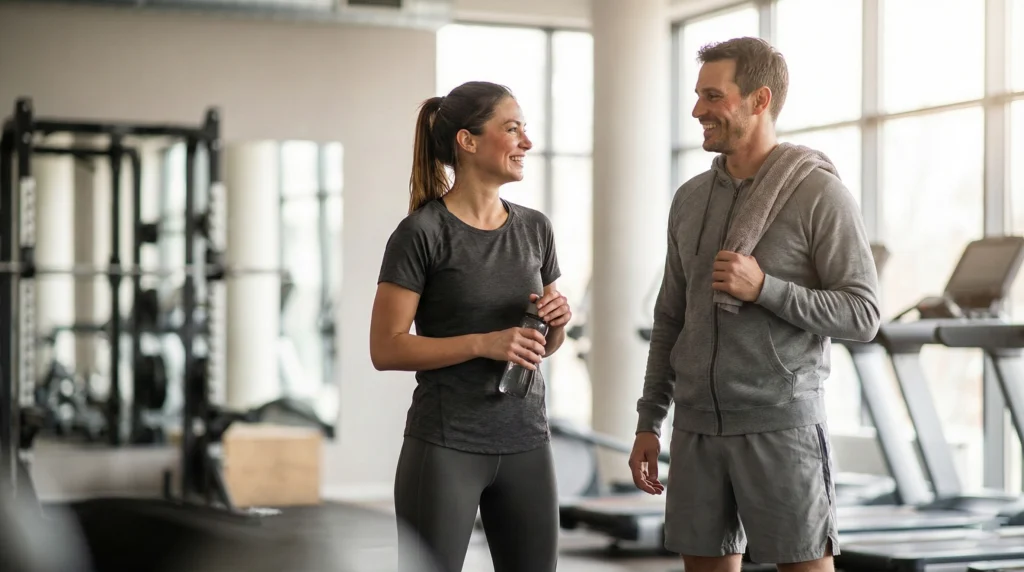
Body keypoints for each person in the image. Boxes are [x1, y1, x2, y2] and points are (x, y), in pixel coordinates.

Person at [627, 37, 881, 571]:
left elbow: (863, 314)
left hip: (779, 427)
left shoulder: (819, 195)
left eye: (713, 96)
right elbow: (670, 316)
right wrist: (650, 420)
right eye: (697, 96)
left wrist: (766, 287)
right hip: (696, 429)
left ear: (759, 100)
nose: (697, 110)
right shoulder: (691, 198)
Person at [369, 80, 571, 572]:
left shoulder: (535, 228)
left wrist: (558, 323)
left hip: (526, 441)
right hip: (445, 446)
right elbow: (386, 349)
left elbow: (541, 346)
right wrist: (485, 343)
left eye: (526, 130)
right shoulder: (422, 233)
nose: (526, 142)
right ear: (468, 141)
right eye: (513, 129)